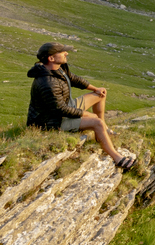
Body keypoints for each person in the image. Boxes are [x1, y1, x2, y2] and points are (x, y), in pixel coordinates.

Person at [27, 42, 136, 170]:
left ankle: (103, 132)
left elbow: (73, 79)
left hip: (67, 106)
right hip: (52, 121)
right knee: (96, 122)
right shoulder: (48, 83)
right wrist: (85, 114)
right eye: (62, 52)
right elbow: (60, 110)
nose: (66, 53)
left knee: (101, 94)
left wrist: (95, 89)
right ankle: (117, 158)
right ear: (51, 58)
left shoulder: (58, 68)